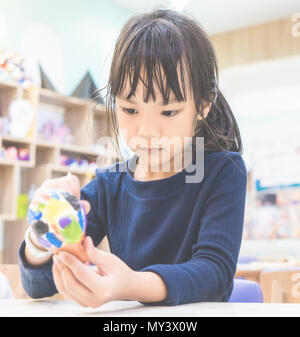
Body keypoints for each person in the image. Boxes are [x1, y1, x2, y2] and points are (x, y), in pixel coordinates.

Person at [18, 8, 247, 307]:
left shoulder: (223, 172)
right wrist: (41, 234)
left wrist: (131, 285)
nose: (147, 130)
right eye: (129, 110)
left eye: (169, 112)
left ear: (203, 105)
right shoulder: (108, 184)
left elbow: (214, 273)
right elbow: (38, 284)